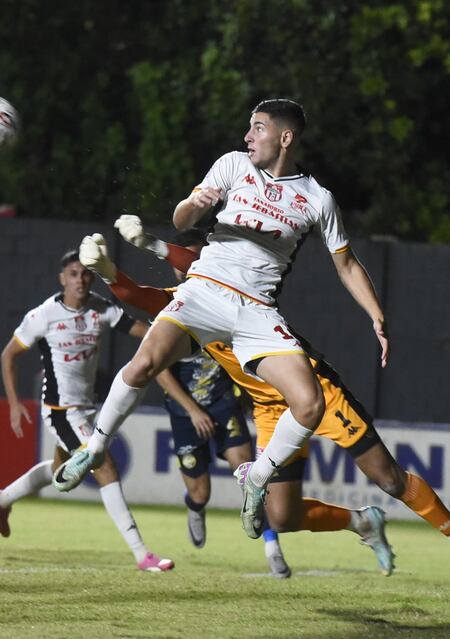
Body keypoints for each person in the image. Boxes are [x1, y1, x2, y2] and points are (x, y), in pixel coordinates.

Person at [53, 100, 390, 547]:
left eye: (258, 128)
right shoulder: (233, 165)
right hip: (204, 292)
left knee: (309, 404)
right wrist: (194, 204)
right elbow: (181, 219)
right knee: (144, 364)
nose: (248, 136)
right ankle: (94, 448)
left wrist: (376, 314)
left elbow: (346, 265)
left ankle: (258, 477)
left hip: (257, 310)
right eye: (249, 128)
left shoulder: (316, 198)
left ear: (285, 137)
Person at [81, 216, 450, 574]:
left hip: (315, 393)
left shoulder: (240, 287)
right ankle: (363, 522)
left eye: (196, 258)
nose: (186, 268)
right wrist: (107, 271)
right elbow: (140, 296)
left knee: (389, 479)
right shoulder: (186, 305)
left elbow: (191, 263)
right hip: (271, 410)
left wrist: (152, 245)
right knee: (282, 516)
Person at [115, 227, 290, 577]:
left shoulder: (227, 296)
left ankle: (272, 547)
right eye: (182, 259)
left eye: (195, 257)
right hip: (185, 411)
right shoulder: (168, 306)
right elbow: (157, 369)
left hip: (223, 403)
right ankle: (195, 507)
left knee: (250, 471)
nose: (187, 264)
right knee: (200, 491)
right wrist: (193, 410)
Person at [0, 250, 174, 572]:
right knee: (103, 464)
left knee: (60, 470)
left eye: (86, 273)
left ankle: (0, 500)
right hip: (60, 410)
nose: (81, 279)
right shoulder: (44, 315)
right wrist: (14, 404)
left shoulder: (101, 308)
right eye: (73, 274)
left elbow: (142, 330)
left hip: (86, 409)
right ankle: (142, 554)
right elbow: (8, 355)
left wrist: (175, 330)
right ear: (62, 279)